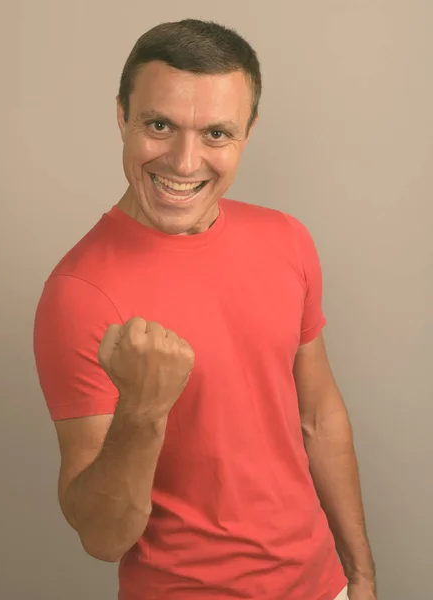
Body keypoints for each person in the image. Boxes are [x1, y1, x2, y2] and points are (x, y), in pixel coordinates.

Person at [33, 18, 376, 600]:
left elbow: (319, 419)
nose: (185, 161)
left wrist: (359, 575)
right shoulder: (80, 294)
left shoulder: (286, 239)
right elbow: (102, 537)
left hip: (323, 587)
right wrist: (142, 410)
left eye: (216, 133)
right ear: (122, 116)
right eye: (159, 125)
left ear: (248, 133)